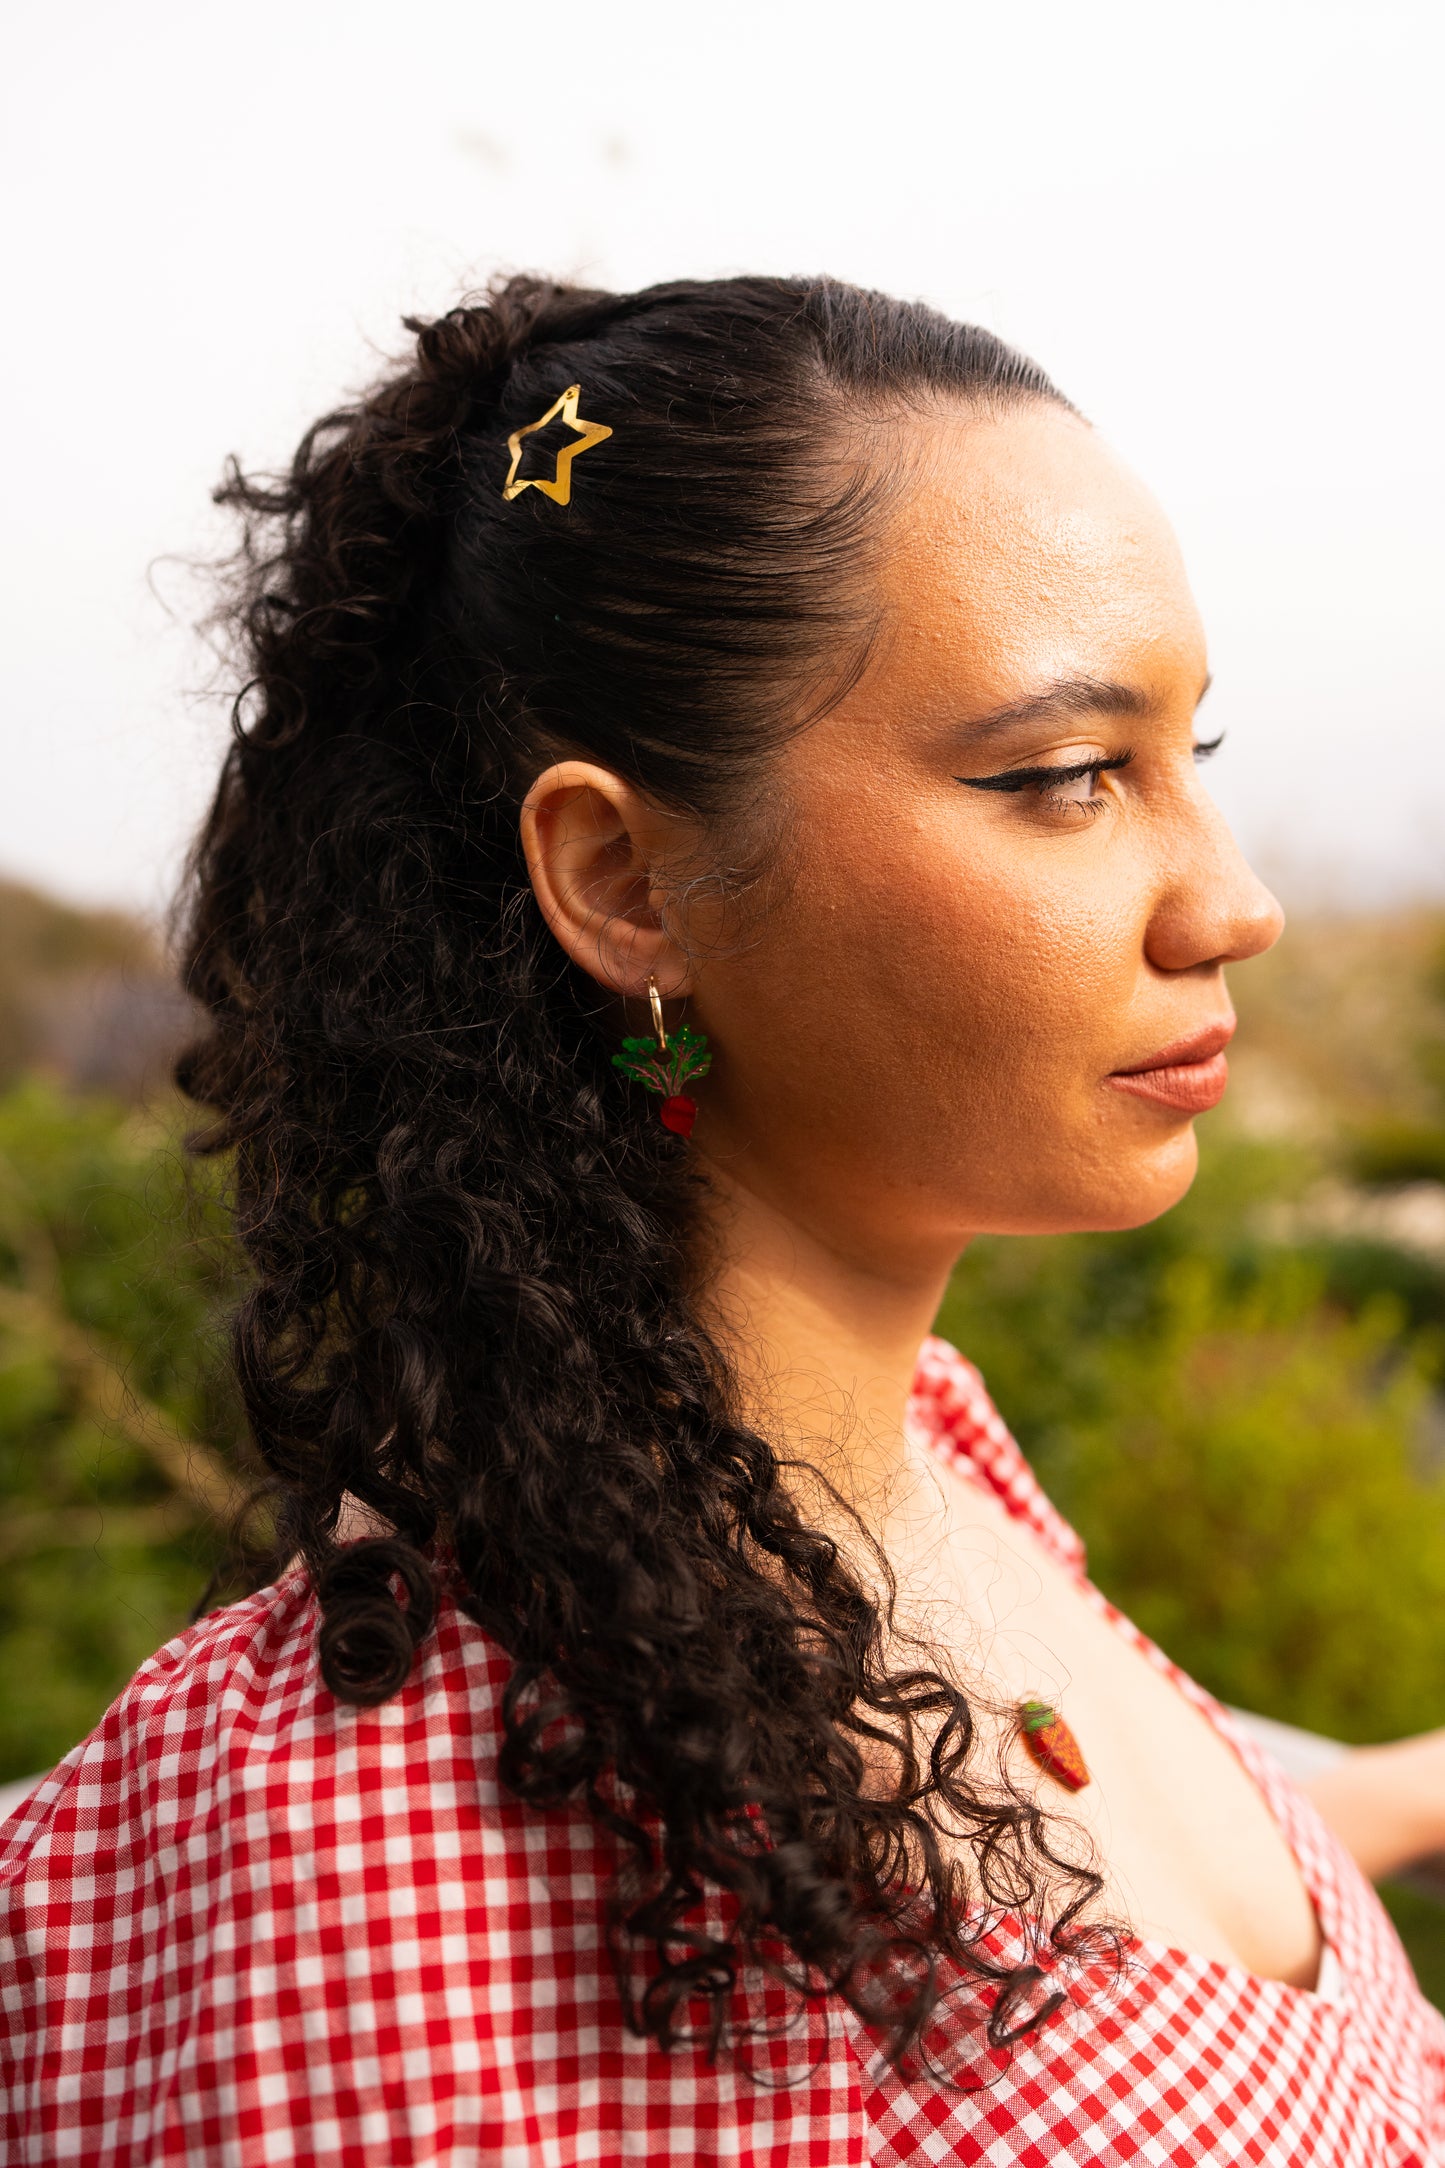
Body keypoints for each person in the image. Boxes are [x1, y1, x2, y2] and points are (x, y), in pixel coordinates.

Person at [4, 274, 1445, 2165]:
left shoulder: (914, 1462)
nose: (1235, 903)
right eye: (1064, 778)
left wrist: (1383, 1801)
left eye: (1195, 757)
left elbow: (1109, 1933)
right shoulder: (418, 1854)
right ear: (627, 881)